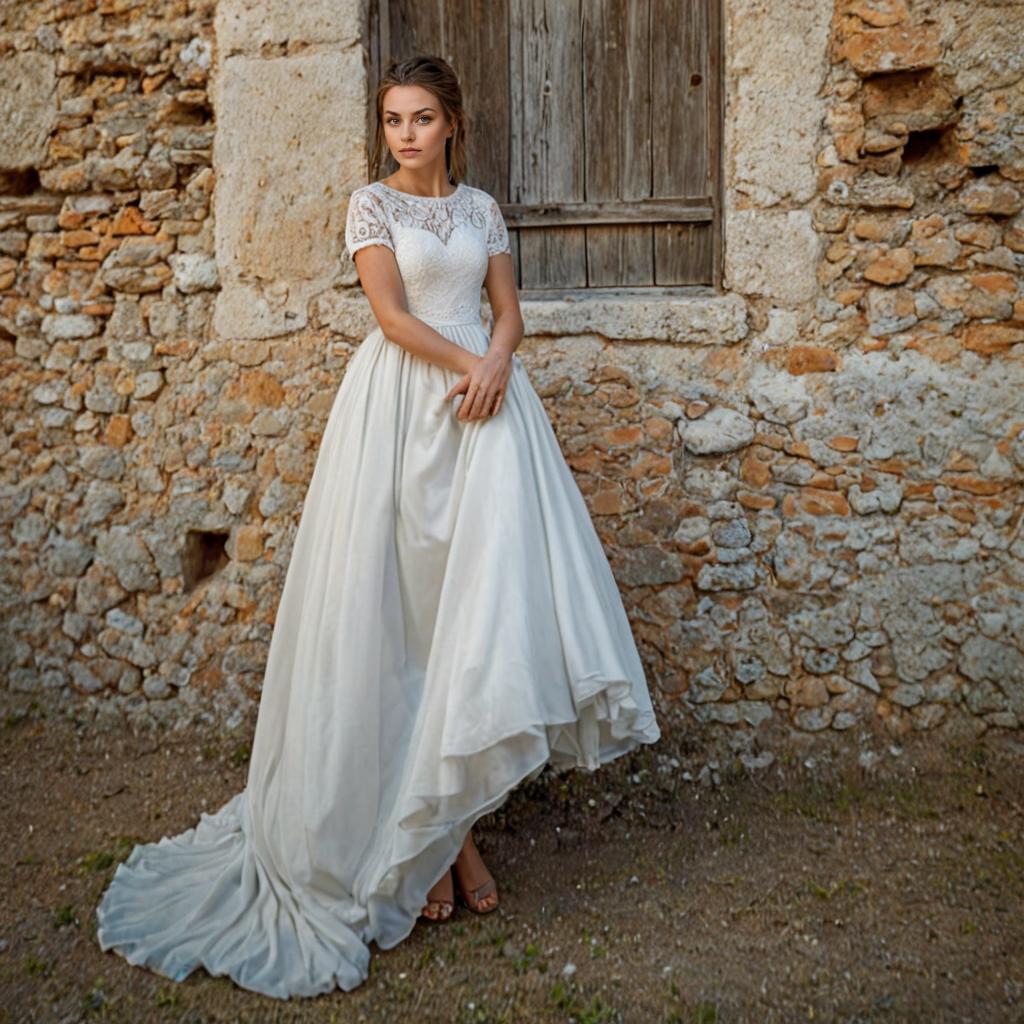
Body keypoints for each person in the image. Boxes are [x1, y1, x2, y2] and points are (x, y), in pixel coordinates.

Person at [94, 53, 661, 1000]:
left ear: (453, 124)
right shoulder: (372, 206)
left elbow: (510, 312)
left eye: (421, 119)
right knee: (396, 619)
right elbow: (393, 318)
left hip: (489, 419)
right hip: (405, 410)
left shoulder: (481, 210)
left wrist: (498, 364)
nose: (405, 135)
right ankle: (445, 846)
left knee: (467, 622)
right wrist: (464, 367)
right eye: (393, 120)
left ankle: (445, 831)